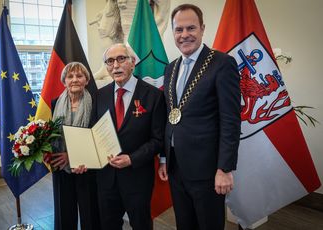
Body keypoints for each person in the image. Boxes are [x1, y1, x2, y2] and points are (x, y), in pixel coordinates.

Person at [158, 4, 241, 230]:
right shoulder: (170, 68)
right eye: (179, 30)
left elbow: (231, 121)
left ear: (202, 29)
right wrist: (164, 158)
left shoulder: (222, 63)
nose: (184, 35)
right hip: (176, 166)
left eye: (191, 28)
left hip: (207, 169)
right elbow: (170, 115)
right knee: (184, 224)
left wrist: (224, 169)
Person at [91, 43, 166, 230]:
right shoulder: (99, 95)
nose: (115, 65)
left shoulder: (154, 95)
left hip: (138, 178)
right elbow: (94, 133)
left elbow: (158, 140)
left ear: (133, 62)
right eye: (110, 61)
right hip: (106, 177)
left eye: (121, 59)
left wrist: (132, 159)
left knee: (141, 225)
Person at [50, 62, 100, 230]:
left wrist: (73, 156)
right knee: (64, 214)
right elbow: (51, 134)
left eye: (79, 76)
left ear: (87, 80)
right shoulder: (55, 102)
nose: (75, 80)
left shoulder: (96, 102)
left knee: (90, 214)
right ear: (64, 81)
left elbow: (98, 137)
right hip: (60, 166)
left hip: (87, 168)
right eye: (70, 76)